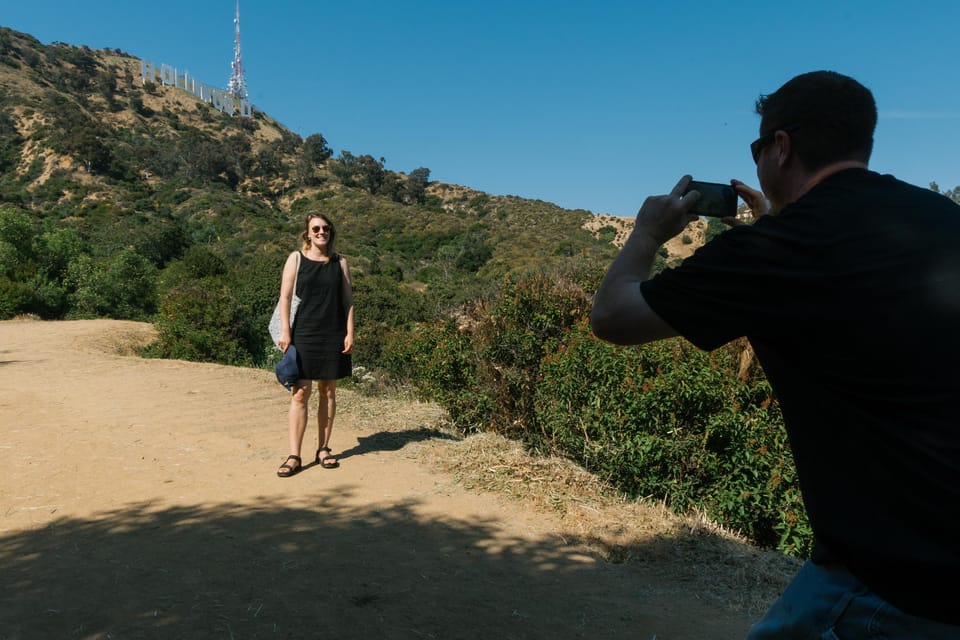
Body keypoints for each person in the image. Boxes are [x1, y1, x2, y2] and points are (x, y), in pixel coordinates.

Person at [590, 71, 960, 638]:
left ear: (781, 148)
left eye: (758, 148)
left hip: (897, 578)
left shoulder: (775, 252)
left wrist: (646, 234)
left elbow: (613, 316)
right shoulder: (940, 218)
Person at [275, 212, 355, 477]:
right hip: (304, 334)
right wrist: (286, 333)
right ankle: (294, 455)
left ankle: (323, 449)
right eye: (316, 228)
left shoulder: (340, 262)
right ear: (307, 233)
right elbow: (285, 298)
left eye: (326, 228)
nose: (322, 232)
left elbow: (348, 302)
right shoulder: (296, 259)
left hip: (333, 333)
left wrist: (350, 332)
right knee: (300, 393)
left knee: (329, 392)